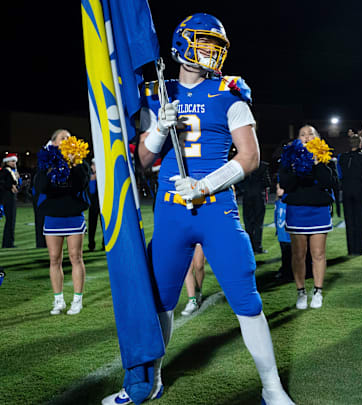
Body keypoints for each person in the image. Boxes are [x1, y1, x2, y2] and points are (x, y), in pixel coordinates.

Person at [103, 13, 293, 405]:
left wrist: (204, 184)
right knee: (159, 301)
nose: (210, 51)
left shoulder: (229, 91)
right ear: (182, 43)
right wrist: (157, 128)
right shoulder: (158, 91)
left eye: (215, 45)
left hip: (215, 208)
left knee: (246, 298)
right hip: (171, 213)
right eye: (203, 42)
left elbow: (251, 157)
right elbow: (141, 159)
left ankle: (271, 388)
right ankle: (150, 379)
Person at [279, 125, 335, 310]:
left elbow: (330, 182)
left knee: (318, 254)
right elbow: (286, 184)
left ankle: (317, 291)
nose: (307, 137)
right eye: (303, 134)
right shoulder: (289, 158)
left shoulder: (325, 157)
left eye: (311, 133)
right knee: (298, 255)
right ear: (297, 139)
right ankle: (301, 292)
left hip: (318, 210)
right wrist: (297, 166)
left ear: (317, 137)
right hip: (297, 210)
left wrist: (317, 163)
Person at [36, 129, 91, 316]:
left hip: (73, 213)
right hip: (53, 214)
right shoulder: (46, 160)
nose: (68, 140)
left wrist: (75, 162)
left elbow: (81, 184)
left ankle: (77, 300)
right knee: (54, 259)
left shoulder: (79, 160)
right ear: (53, 143)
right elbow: (42, 186)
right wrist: (52, 165)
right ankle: (58, 300)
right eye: (63, 138)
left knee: (76, 257)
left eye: (69, 137)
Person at [337, 134, 362, 255]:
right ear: (360, 144)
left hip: (346, 190)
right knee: (360, 220)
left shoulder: (342, 158)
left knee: (349, 220)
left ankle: (351, 249)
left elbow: (339, 174)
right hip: (359, 190)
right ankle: (359, 249)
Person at [240, 160, 272, 254]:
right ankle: (258, 247)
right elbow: (268, 182)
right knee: (258, 223)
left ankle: (249, 247)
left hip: (247, 196)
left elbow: (239, 181)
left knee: (248, 223)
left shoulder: (245, 164)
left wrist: (245, 189)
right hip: (259, 197)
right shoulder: (263, 166)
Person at [0, 153, 20, 248]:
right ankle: (8, 243)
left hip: (11, 197)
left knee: (11, 221)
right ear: (7, 161)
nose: (14, 163)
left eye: (15, 161)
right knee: (10, 220)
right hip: (7, 197)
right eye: (12, 161)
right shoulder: (5, 171)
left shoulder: (11, 171)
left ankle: (9, 242)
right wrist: (10, 186)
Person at [274, 181, 293, 281]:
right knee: (284, 253)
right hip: (281, 234)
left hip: (289, 234)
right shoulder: (278, 202)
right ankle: (284, 270)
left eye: (280, 188)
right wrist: (277, 229)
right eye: (277, 189)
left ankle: (288, 272)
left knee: (290, 254)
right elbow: (276, 216)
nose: (278, 191)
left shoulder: (290, 202)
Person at [180, 244, 206, 316]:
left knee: (199, 266)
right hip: (186, 235)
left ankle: (198, 290)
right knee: (187, 266)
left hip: (199, 236)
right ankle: (192, 301)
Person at [87, 159, 102, 251]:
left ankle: (105, 243)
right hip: (93, 203)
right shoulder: (90, 176)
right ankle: (91, 244)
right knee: (92, 225)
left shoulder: (102, 175)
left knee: (104, 224)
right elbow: (91, 190)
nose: (92, 166)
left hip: (102, 202)